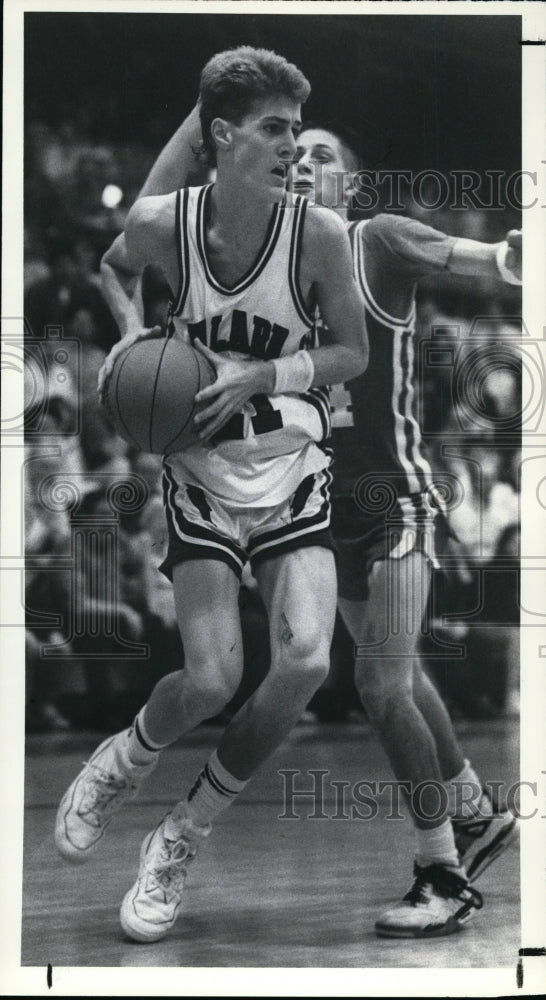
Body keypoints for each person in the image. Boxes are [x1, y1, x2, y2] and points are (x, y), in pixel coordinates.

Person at [118, 108, 523, 939]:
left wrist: (516, 254)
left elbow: (484, 259)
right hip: (314, 511)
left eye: (324, 155)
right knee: (400, 680)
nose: (304, 163)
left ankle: (441, 871)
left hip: (394, 504)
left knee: (380, 682)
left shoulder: (378, 240)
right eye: (293, 153)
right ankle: (477, 812)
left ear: (353, 182)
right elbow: (146, 240)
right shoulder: (274, 266)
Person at [54, 46, 368, 944]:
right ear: (221, 137)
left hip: (290, 462)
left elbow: (352, 353)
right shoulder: (165, 222)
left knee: (305, 660)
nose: (292, 146)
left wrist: (264, 370)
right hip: (199, 473)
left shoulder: (320, 234)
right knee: (211, 677)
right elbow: (116, 268)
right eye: (274, 129)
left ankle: (179, 834)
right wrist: (126, 341)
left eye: (297, 131)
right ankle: (124, 759)